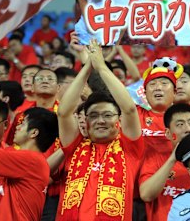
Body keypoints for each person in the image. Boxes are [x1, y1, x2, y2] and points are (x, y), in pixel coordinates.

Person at [56, 40, 144, 221]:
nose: (100, 121)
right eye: (93, 116)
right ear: (85, 121)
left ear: (118, 120)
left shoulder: (129, 148)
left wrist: (101, 66)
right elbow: (64, 112)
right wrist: (88, 66)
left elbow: (128, 108)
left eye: (107, 115)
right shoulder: (76, 146)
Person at [0, 107, 59, 221]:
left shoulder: (30, 160)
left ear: (34, 133)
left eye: (23, 124)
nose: (17, 127)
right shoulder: (28, 159)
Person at [138, 104, 190, 220]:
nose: (188, 129)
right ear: (168, 133)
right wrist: (173, 159)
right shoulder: (155, 159)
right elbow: (146, 194)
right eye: (180, 124)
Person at [75, 0, 149, 45]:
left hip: (107, 43)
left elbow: (125, 23)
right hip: (84, 38)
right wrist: (89, 22)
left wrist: (117, 44)